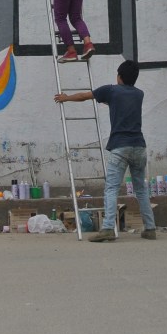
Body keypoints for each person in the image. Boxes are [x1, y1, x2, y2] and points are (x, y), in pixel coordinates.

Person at [55, 59, 157, 242]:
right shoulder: (139, 94)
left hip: (120, 146)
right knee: (141, 190)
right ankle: (150, 228)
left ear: (119, 76)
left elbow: (84, 96)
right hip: (139, 146)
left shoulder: (111, 91)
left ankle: (108, 227)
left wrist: (66, 98)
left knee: (111, 189)